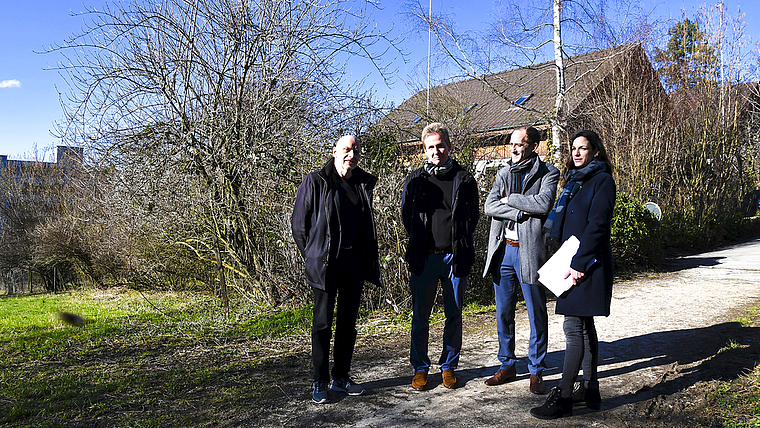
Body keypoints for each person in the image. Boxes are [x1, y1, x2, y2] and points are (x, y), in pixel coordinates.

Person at [530, 130, 616, 419]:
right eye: (574, 148)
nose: (577, 153)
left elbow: (597, 226)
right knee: (584, 326)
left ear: (596, 152)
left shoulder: (601, 181)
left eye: (583, 148)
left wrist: (579, 263)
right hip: (573, 261)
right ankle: (590, 390)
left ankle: (564, 395)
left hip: (586, 265)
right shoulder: (575, 183)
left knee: (573, 328)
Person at [292, 135, 382, 404]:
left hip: (354, 263)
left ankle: (340, 378)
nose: (350, 154)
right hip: (326, 265)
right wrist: (313, 255)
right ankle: (319, 381)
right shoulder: (316, 181)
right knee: (322, 324)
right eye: (346, 149)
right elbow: (299, 225)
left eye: (355, 150)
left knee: (347, 324)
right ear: (334, 152)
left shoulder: (362, 183)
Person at [401, 122, 479, 391]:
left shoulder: (465, 179)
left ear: (449, 145)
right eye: (431, 147)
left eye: (440, 145)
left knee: (454, 315)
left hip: (455, 258)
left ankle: (448, 366)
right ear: (424, 150)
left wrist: (459, 240)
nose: (436, 151)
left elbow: (473, 217)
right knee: (421, 316)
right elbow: (406, 217)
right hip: (425, 259)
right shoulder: (414, 180)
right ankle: (420, 367)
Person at [482, 126, 559, 394]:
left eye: (519, 144)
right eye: (511, 143)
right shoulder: (503, 173)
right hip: (503, 250)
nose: (513, 148)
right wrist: (519, 211)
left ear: (533, 146)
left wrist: (511, 200)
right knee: (503, 313)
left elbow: (544, 204)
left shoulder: (548, 173)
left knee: (536, 313)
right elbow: (489, 207)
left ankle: (536, 370)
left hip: (530, 251)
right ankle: (507, 364)